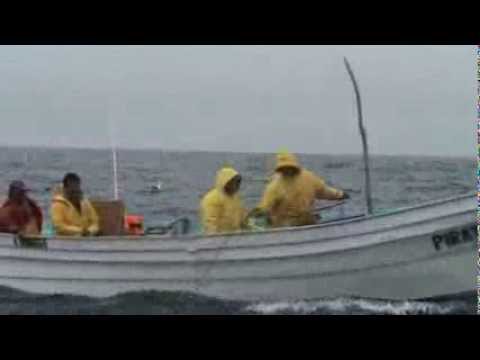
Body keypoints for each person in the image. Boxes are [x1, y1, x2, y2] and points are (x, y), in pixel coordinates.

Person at [251, 151, 349, 228]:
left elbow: (324, 191)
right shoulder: (274, 186)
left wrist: (340, 195)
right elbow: (263, 209)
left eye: (289, 167)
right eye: (285, 168)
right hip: (291, 226)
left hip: (298, 224)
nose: (288, 170)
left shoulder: (308, 178)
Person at [200, 166, 248, 235]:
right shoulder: (212, 198)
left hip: (234, 236)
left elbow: (241, 217)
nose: (237, 185)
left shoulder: (235, 197)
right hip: (219, 238)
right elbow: (210, 223)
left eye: (238, 182)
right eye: (235, 182)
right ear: (227, 182)